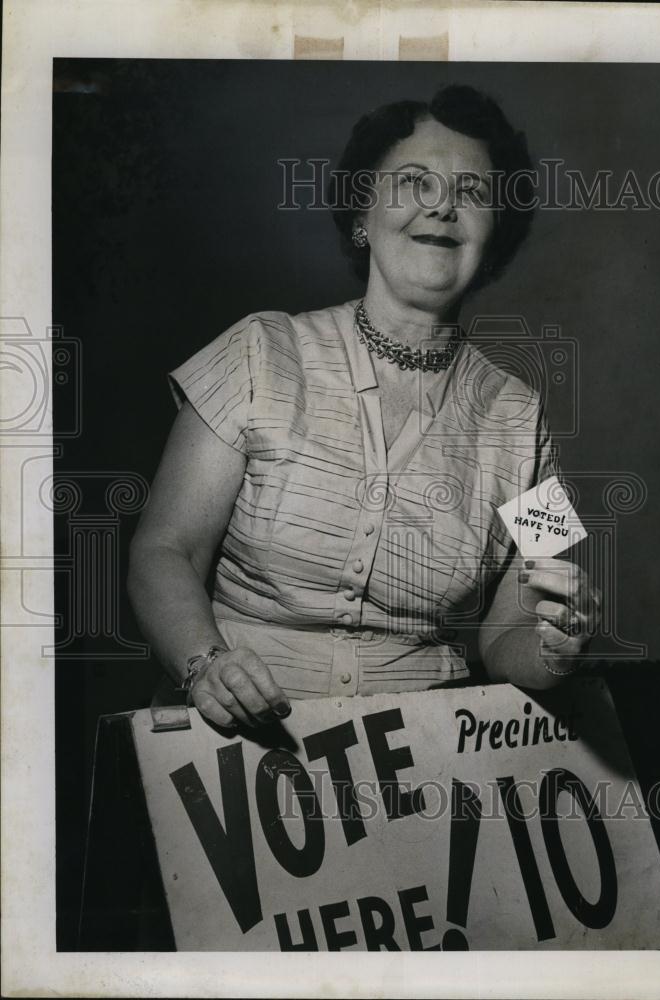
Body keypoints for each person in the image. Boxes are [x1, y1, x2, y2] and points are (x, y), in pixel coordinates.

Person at [127, 84, 601, 729]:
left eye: (472, 193)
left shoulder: (525, 416)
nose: (442, 208)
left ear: (497, 238)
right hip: (230, 748)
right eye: (414, 182)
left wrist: (556, 648)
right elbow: (165, 551)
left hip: (421, 768)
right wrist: (206, 664)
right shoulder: (259, 351)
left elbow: (514, 626)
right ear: (361, 214)